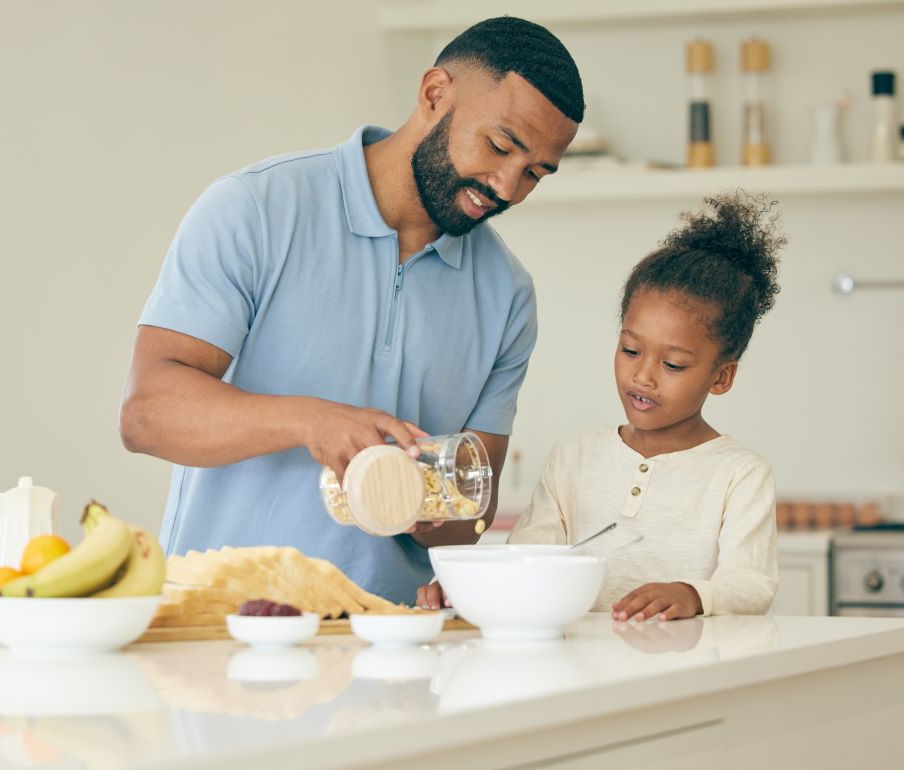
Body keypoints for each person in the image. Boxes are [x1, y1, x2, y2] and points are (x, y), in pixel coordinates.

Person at [120, 17, 584, 604]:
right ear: (434, 94)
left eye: (535, 173)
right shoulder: (257, 209)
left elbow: (473, 505)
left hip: (393, 648)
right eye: (499, 146)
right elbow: (146, 414)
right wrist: (310, 421)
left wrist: (430, 510)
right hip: (222, 630)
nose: (508, 188)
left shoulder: (509, 295)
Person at [418, 192, 785, 620]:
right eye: (630, 350)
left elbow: (752, 583)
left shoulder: (739, 475)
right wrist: (473, 587)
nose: (643, 376)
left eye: (672, 364)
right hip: (584, 667)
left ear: (721, 377)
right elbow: (528, 561)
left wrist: (693, 595)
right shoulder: (572, 460)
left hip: (686, 670)